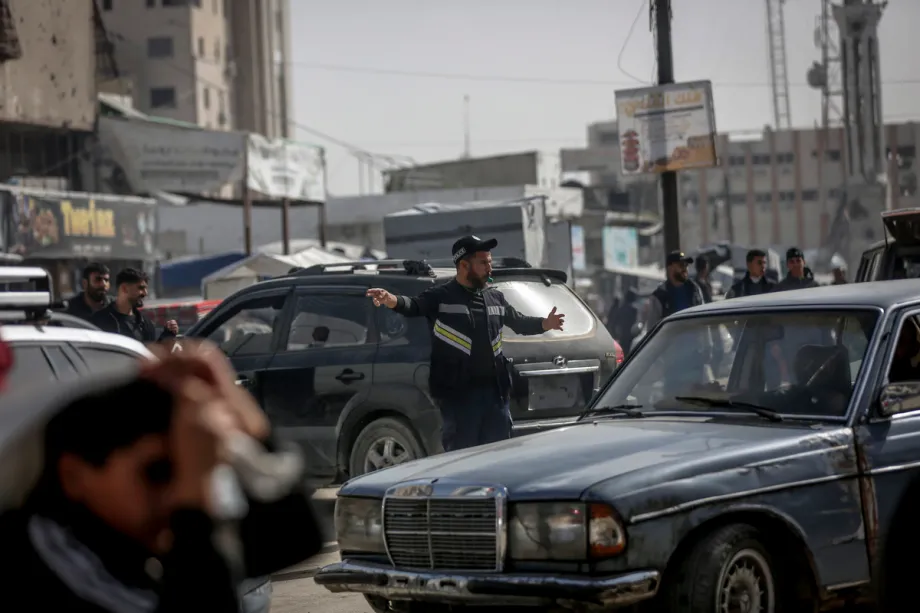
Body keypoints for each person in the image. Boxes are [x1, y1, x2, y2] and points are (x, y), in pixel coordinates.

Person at [0, 343, 323, 611]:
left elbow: (293, 540)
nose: (174, 493)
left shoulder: (125, 535)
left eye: (183, 469)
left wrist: (236, 406)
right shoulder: (41, 560)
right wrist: (194, 505)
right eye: (156, 473)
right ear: (75, 476)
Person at [365, 235, 564, 451]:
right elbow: (414, 306)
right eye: (483, 263)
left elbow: (519, 322)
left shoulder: (495, 297)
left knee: (499, 456)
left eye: (490, 262)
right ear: (464, 265)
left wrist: (545, 323)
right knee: (463, 458)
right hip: (459, 399)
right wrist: (390, 299)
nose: (489, 268)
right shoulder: (442, 296)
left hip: (495, 397)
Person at [91, 268, 178, 342]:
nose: (145, 293)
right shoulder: (100, 321)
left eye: (146, 288)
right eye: (141, 288)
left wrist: (167, 336)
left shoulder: (145, 323)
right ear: (124, 288)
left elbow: (151, 353)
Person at [644, 250, 706, 331]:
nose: (685, 269)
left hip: (694, 337)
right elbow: (652, 329)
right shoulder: (660, 296)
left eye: (686, 265)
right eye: (681, 265)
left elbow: (703, 318)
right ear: (670, 268)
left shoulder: (694, 289)